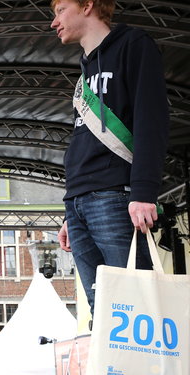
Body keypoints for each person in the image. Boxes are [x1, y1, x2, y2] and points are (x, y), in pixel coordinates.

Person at [50, 0, 169, 316]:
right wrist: (70, 210)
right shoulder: (85, 67)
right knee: (102, 314)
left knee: (135, 311)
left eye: (60, 10)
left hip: (116, 195)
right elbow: (84, 137)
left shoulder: (133, 45)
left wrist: (144, 193)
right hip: (77, 203)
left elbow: (151, 120)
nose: (54, 22)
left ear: (87, 5)